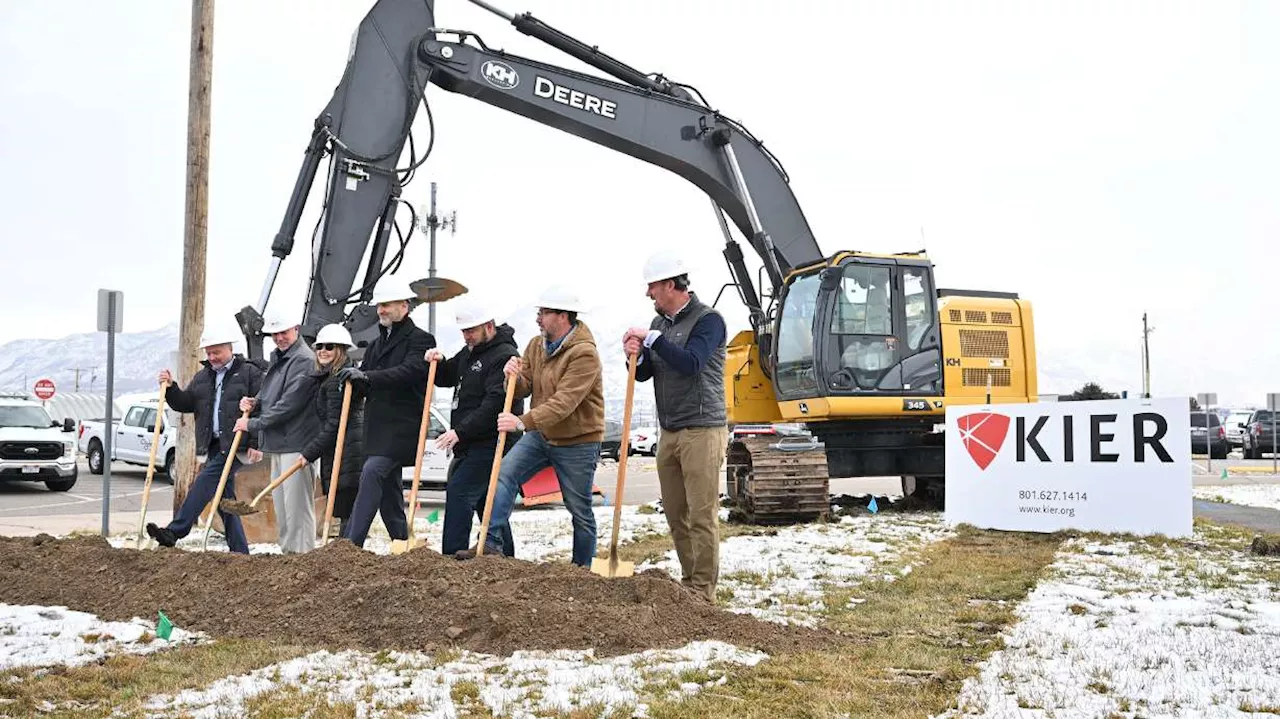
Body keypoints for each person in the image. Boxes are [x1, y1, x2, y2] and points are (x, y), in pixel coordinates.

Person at [459, 285, 604, 566]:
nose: (538, 319)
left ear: (563, 316)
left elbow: (564, 403)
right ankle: (491, 542)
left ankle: (583, 569)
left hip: (578, 440)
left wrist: (522, 422)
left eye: (543, 313)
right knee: (504, 474)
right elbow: (523, 388)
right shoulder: (537, 345)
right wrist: (510, 377)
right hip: (542, 435)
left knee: (579, 508)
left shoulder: (584, 354)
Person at [623, 250, 728, 600]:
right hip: (669, 430)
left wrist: (655, 342)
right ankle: (690, 580)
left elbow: (692, 363)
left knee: (701, 514)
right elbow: (646, 374)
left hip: (702, 429)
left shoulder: (708, 320)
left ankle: (703, 590)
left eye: (652, 287)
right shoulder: (660, 326)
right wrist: (633, 357)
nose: (648, 294)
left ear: (671, 285)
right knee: (676, 512)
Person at [147, 329, 265, 554]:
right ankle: (240, 552)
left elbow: (262, 406)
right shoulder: (203, 377)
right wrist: (171, 388)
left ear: (230, 349)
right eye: (209, 353)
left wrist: (257, 442)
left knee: (205, 479)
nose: (212, 358)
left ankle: (176, 531)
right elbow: (186, 403)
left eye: (216, 353)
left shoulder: (249, 373)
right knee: (224, 497)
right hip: (213, 444)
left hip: (237, 442)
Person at [337, 282, 436, 548]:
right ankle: (402, 542)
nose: (381, 310)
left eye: (387, 305)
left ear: (404, 306)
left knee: (372, 473)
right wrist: (351, 381)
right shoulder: (376, 345)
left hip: (402, 426)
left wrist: (366, 376)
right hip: (377, 427)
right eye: (380, 305)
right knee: (388, 490)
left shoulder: (421, 340)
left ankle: (350, 543)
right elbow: (366, 382)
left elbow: (410, 372)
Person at [424, 299, 521, 557]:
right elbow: (448, 375)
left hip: (491, 442)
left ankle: (451, 558)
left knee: (460, 493)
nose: (466, 336)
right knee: (484, 503)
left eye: (471, 331)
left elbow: (494, 404)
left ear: (488, 326)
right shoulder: (470, 352)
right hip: (470, 443)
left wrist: (459, 431)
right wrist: (437, 361)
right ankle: (504, 555)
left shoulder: (503, 355)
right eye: (464, 331)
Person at [235, 314, 321, 554]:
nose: (279, 338)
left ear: (296, 329)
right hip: (279, 443)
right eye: (274, 334)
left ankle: (302, 557)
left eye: (283, 332)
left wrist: (253, 424)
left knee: (297, 508)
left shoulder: (303, 360)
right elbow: (270, 394)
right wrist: (255, 402)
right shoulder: (280, 358)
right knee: (284, 507)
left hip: (297, 443)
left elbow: (289, 404)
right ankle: (288, 555)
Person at [297, 323, 365, 538]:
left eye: (330, 347)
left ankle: (347, 555)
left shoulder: (340, 380)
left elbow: (334, 425)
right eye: (319, 347)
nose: (323, 352)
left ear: (341, 350)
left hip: (347, 454)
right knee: (344, 509)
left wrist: (309, 453)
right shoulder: (328, 378)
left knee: (347, 510)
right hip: (338, 452)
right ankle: (345, 553)